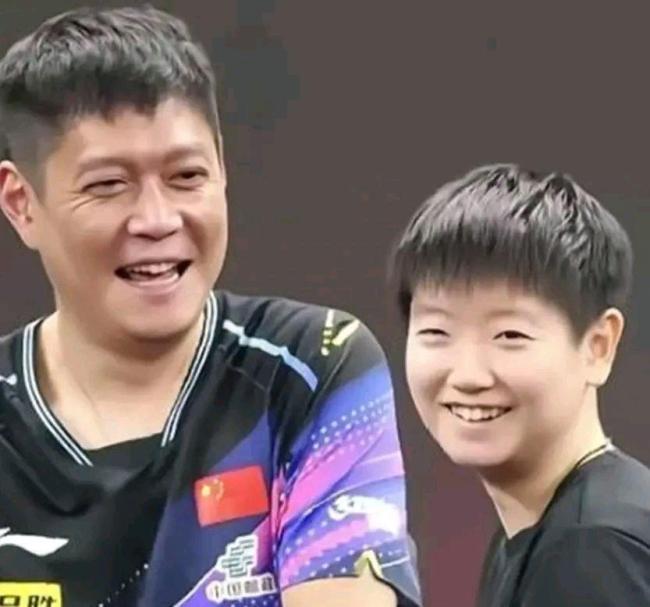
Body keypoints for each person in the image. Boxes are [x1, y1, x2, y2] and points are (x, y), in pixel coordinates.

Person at [0, 7, 420, 607]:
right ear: (22, 203)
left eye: (185, 176)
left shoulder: (311, 369)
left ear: (222, 166)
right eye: (108, 185)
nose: (157, 219)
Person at [390, 164, 650, 606]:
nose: (468, 376)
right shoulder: (544, 528)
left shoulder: (594, 548)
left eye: (510, 335)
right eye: (436, 332)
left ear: (598, 346)